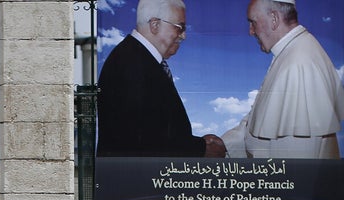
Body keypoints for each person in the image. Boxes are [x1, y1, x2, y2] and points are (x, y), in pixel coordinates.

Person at [97, 0, 226, 157]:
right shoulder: (132, 63)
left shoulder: (135, 57)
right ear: (155, 25)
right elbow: (143, 139)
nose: (183, 36)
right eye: (180, 27)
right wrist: (200, 149)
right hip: (135, 178)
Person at [222, 0, 344, 159]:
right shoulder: (292, 51)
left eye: (253, 22)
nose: (251, 31)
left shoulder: (299, 65)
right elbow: (256, 122)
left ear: (274, 18)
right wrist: (223, 145)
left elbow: (295, 170)